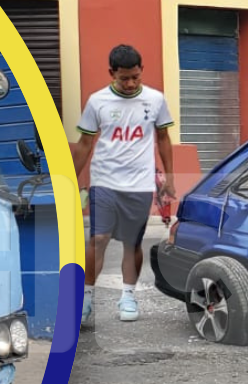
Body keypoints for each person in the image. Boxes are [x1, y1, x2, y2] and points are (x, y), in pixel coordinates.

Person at [74, 44, 175, 326]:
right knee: (98, 240)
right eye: (124, 78)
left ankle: (128, 296)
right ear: (112, 73)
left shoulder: (155, 100)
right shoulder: (97, 102)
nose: (130, 84)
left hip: (140, 184)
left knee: (132, 243)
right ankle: (85, 299)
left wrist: (169, 177)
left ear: (142, 71)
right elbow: (84, 144)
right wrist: (69, 180)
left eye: (135, 77)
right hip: (104, 181)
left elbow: (163, 138)